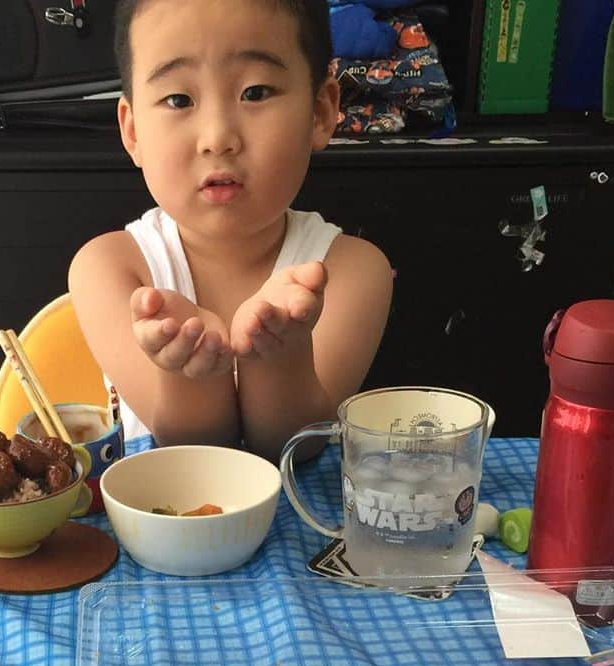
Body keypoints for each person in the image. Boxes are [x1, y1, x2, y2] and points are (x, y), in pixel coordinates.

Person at [68, 0, 393, 461]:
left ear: (321, 112)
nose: (217, 136)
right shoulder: (108, 269)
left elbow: (293, 450)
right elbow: (192, 456)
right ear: (133, 131)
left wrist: (279, 357)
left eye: (255, 92)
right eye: (179, 99)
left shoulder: (352, 270)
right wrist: (189, 371)